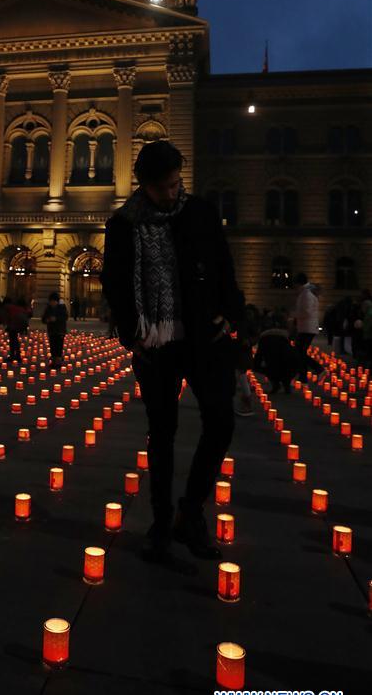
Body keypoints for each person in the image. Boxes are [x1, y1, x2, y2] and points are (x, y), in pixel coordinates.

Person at [101, 140, 245, 569]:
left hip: (205, 338)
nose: (171, 193)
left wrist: (229, 312)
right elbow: (115, 282)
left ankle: (191, 512)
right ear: (143, 185)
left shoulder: (199, 211)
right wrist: (132, 334)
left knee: (221, 421)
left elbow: (224, 264)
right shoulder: (123, 224)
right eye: (163, 187)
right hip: (156, 346)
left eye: (175, 184)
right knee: (162, 435)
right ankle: (161, 525)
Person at [253, 315, 298, 394]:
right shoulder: (285, 334)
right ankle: (285, 384)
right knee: (287, 367)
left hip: (272, 360)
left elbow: (259, 354)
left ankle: (276, 384)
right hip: (284, 359)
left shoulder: (263, 337)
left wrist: (255, 365)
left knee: (272, 368)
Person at [292, 273, 324, 382]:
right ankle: (303, 375)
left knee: (299, 352)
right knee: (300, 352)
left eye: (295, 284)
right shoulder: (305, 293)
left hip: (307, 328)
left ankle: (318, 369)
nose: (294, 286)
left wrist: (294, 315)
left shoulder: (306, 294)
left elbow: (307, 312)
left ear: (299, 283)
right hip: (306, 327)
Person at [0, 295, 30, 362]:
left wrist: (6, 325)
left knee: (12, 339)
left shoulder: (6, 307)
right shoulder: (14, 306)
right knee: (14, 339)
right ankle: (17, 355)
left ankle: (13, 356)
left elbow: (6, 317)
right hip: (21, 321)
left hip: (15, 322)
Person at [41, 292, 68, 365]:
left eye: (54, 301)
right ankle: (53, 361)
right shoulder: (48, 308)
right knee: (52, 346)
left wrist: (56, 319)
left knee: (59, 346)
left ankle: (58, 361)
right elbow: (43, 319)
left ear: (57, 301)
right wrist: (46, 320)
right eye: (51, 301)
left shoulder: (62, 308)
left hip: (60, 331)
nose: (52, 303)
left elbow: (65, 317)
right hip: (51, 331)